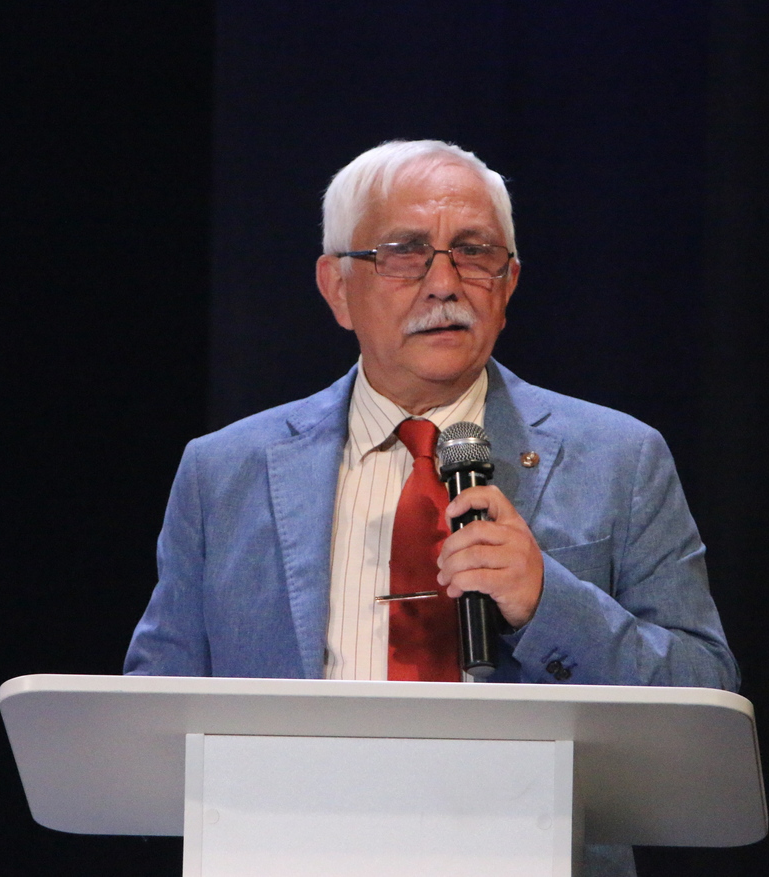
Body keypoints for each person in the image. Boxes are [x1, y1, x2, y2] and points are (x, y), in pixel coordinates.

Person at [125, 140, 737, 877]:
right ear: (337, 287)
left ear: (508, 283)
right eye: (404, 252)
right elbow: (152, 726)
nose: (444, 283)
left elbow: (704, 700)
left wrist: (548, 601)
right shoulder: (224, 472)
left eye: (474, 252)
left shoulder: (620, 459)